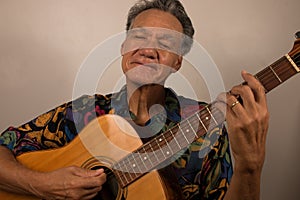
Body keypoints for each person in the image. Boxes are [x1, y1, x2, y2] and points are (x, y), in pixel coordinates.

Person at [0, 0, 269, 199]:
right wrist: (43, 184)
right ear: (124, 48)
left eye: (165, 42)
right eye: (139, 36)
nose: (148, 50)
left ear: (177, 62)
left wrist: (250, 166)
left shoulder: (206, 128)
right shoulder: (83, 111)